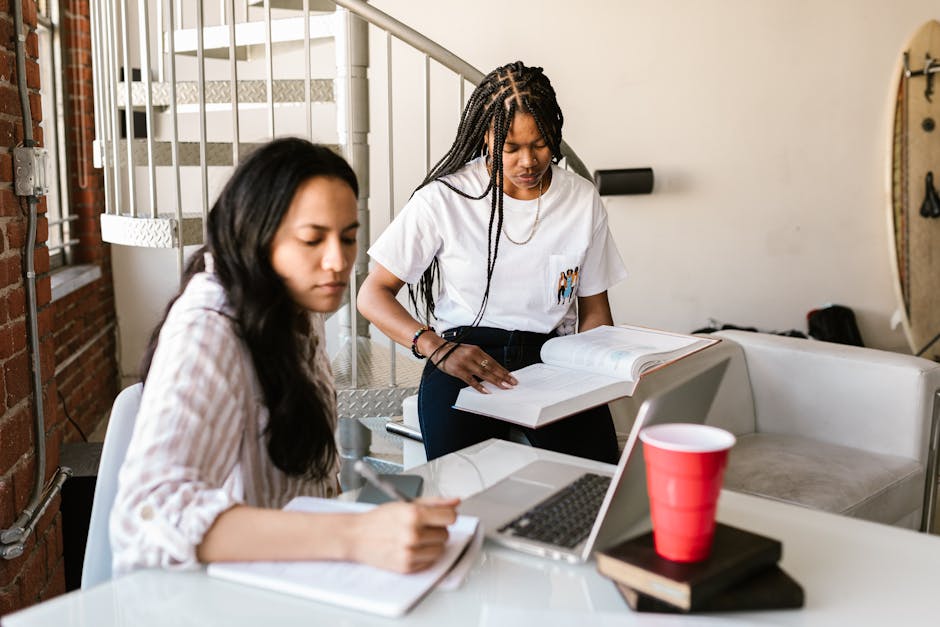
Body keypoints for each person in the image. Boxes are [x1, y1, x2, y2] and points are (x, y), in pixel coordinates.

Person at [110, 138, 458, 577]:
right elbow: (148, 519)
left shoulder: (293, 302)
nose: (337, 262)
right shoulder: (209, 329)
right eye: (313, 239)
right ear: (259, 234)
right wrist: (353, 537)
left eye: (348, 238)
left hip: (293, 578)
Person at [358, 61, 627, 463]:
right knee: (461, 490)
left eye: (539, 144)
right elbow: (372, 294)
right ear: (487, 136)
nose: (528, 162)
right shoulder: (445, 199)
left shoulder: (581, 199)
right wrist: (436, 349)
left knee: (599, 483)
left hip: (553, 358)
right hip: (463, 357)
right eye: (511, 147)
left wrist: (602, 366)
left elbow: (595, 313)